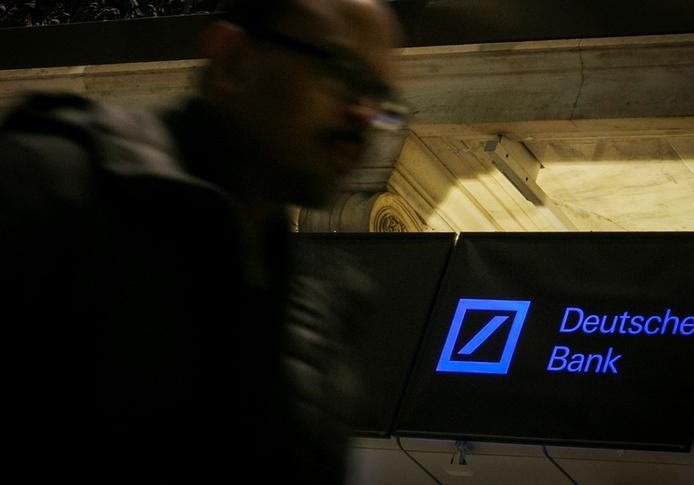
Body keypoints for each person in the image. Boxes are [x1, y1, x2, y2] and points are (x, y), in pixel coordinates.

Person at [0, 0, 404, 483]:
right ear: (231, 59)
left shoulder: (320, 302)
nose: (364, 115)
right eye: (343, 73)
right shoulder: (50, 188)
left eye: (380, 98)